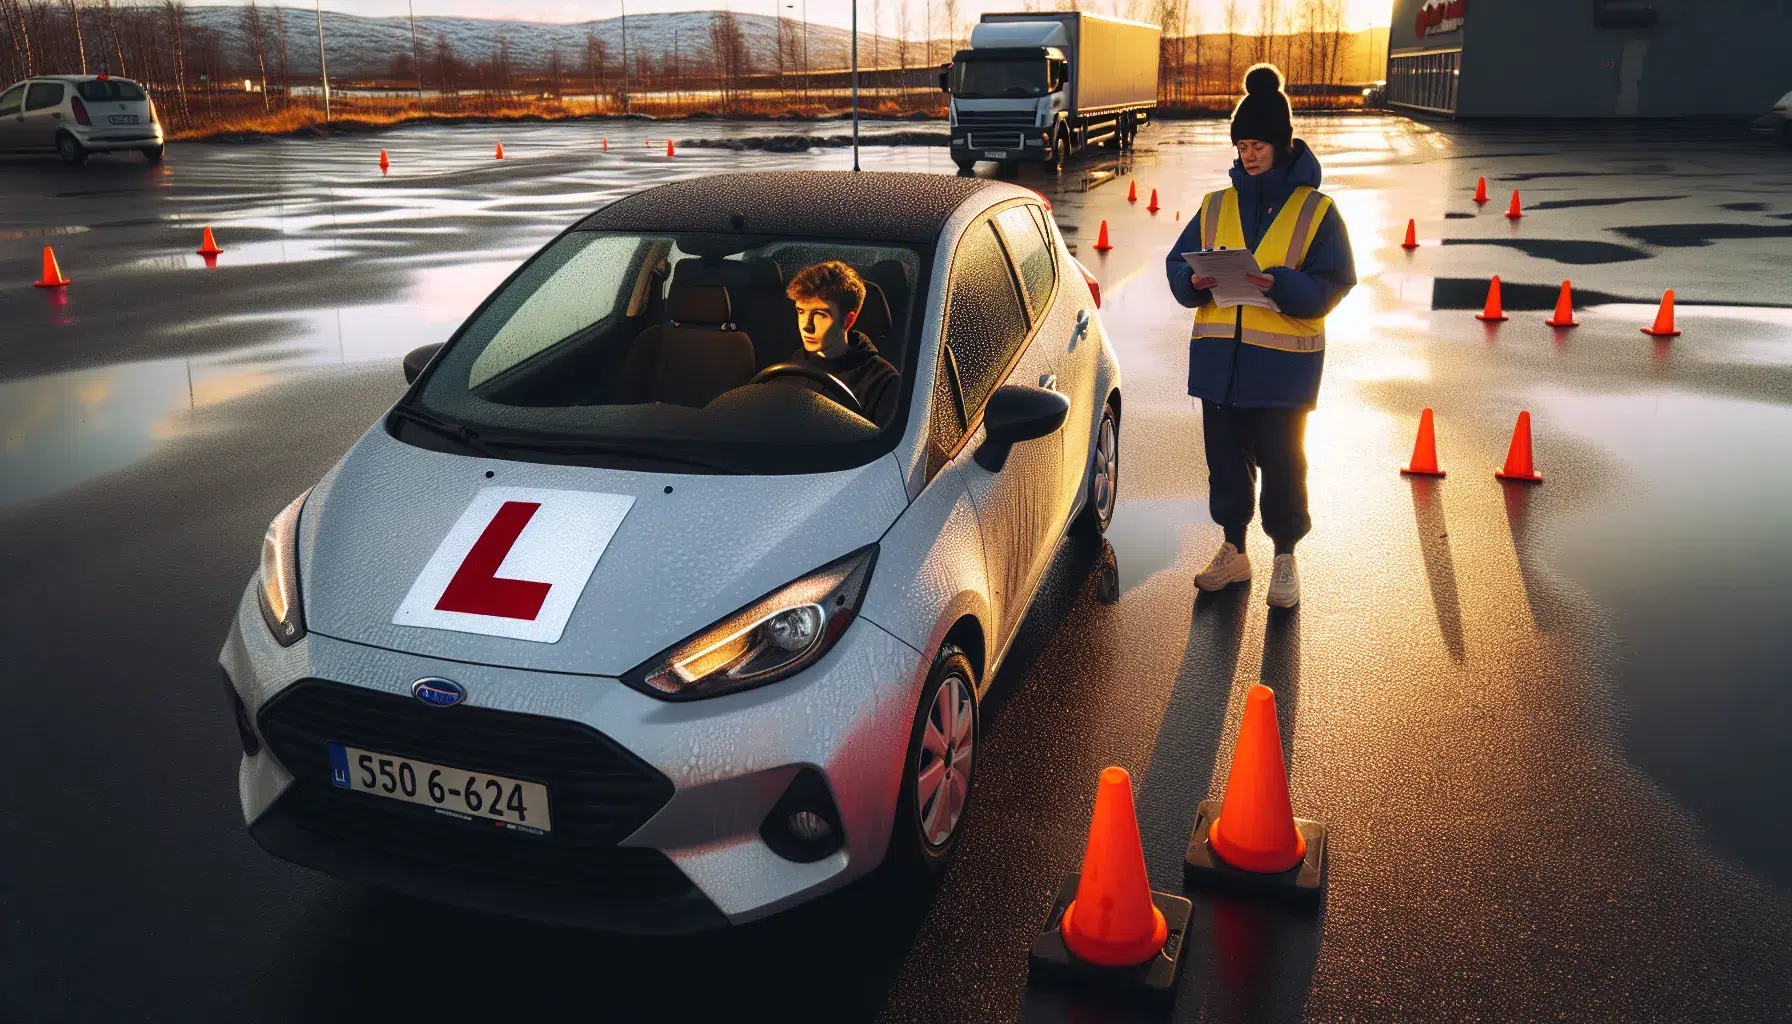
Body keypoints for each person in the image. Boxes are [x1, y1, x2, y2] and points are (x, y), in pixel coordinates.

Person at [1163, 64, 1356, 609]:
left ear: (1281, 144)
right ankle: (1233, 549)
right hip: (1220, 368)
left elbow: (1335, 282)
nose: (1248, 154)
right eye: (1242, 144)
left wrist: (1284, 286)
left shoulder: (1317, 211)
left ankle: (1286, 559)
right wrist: (1193, 282)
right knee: (1224, 467)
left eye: (1258, 144)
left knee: (1283, 468)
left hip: (1280, 373)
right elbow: (1177, 268)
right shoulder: (1216, 205)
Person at [785, 260, 902, 426]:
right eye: (801, 311)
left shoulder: (883, 383)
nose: (806, 326)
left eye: (820, 314)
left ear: (848, 320)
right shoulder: (788, 367)